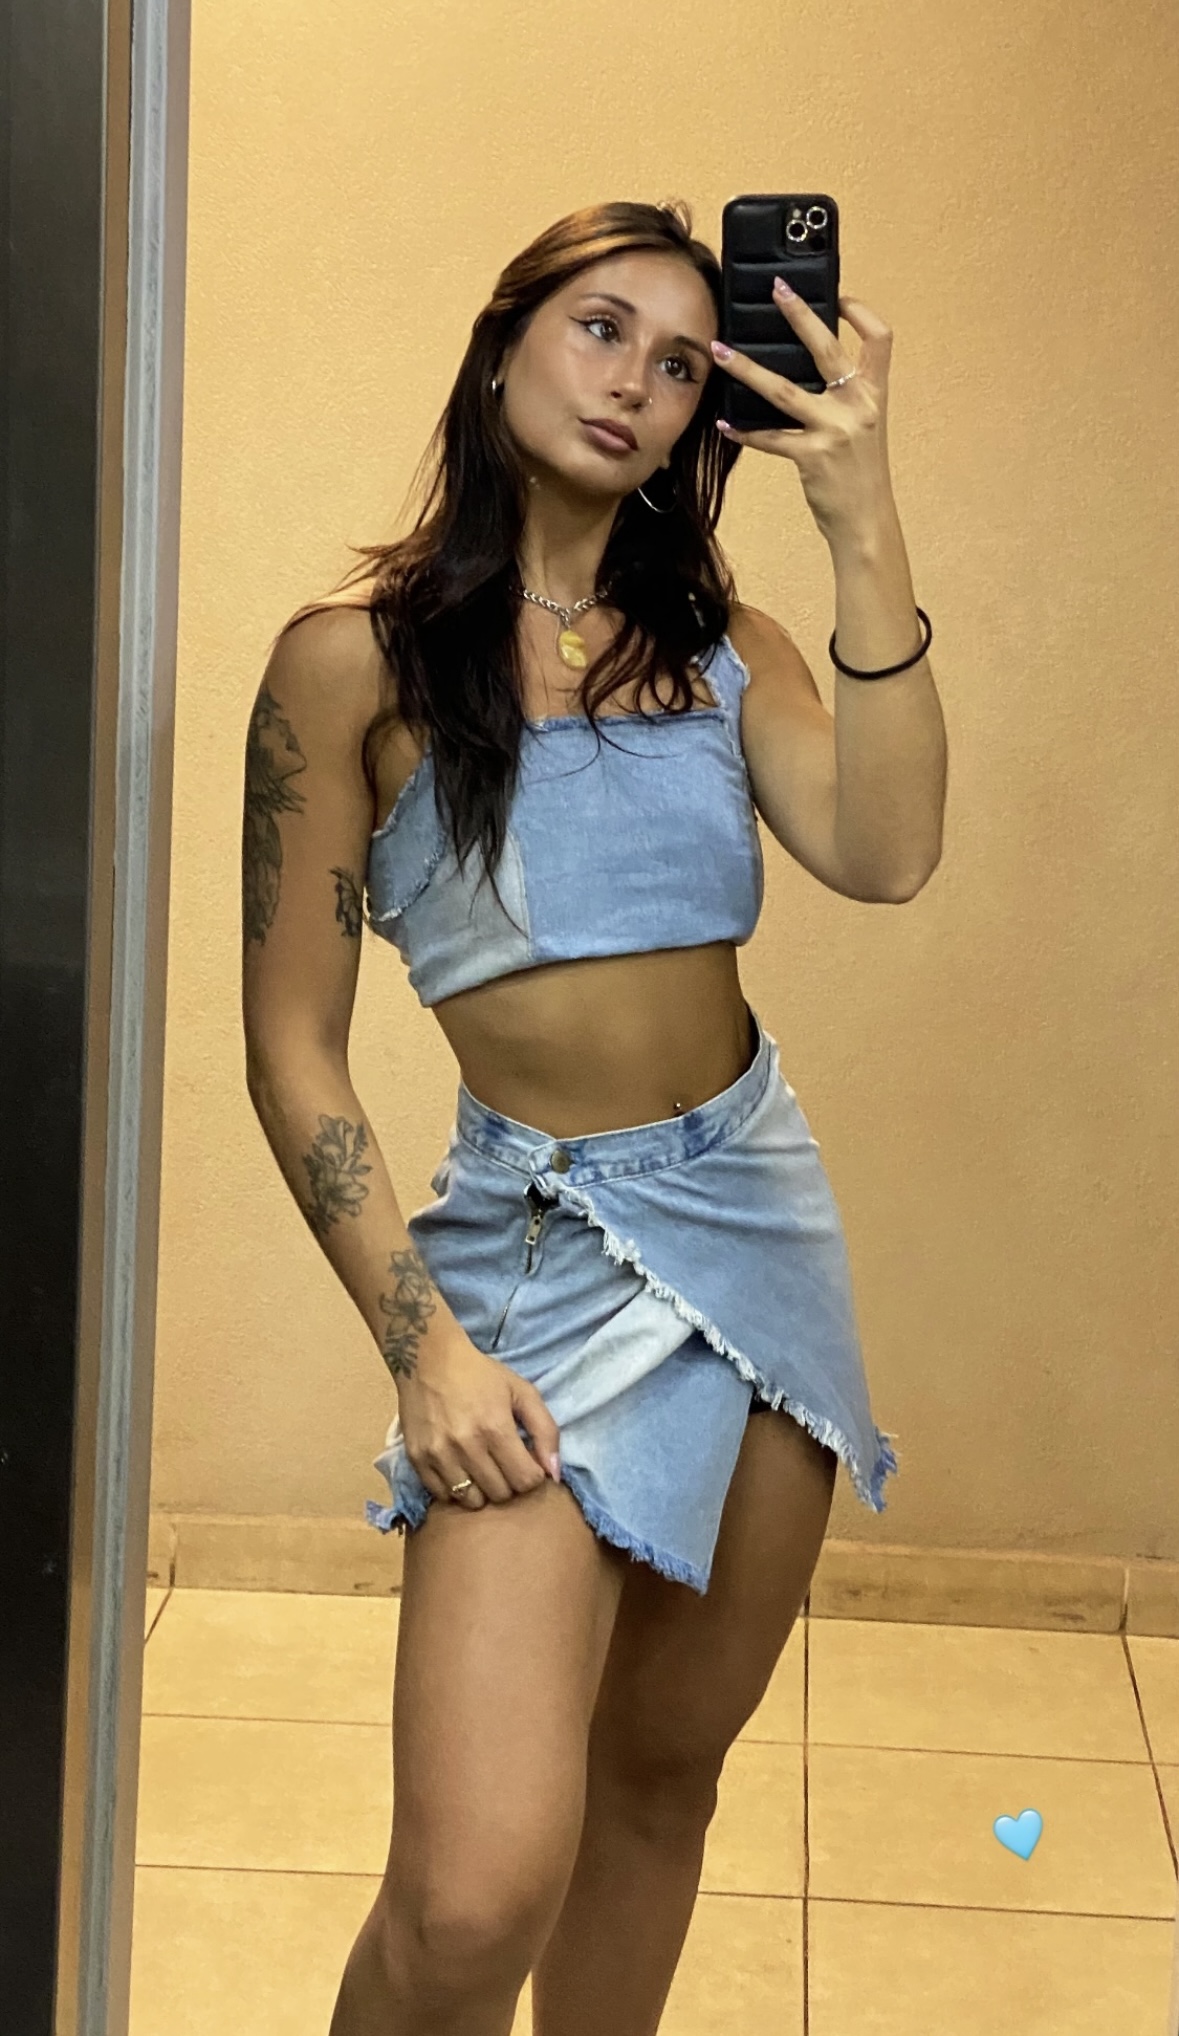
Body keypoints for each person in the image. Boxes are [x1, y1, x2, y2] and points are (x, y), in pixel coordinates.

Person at [241, 199, 945, 2036]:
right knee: (471, 1896)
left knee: (660, 1782)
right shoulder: (354, 662)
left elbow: (888, 851)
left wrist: (861, 516)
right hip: (535, 1251)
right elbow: (294, 1051)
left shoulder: (729, 651)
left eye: (685, 361)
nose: (637, 380)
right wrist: (424, 1349)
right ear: (503, 350)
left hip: (755, 1230)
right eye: (600, 326)